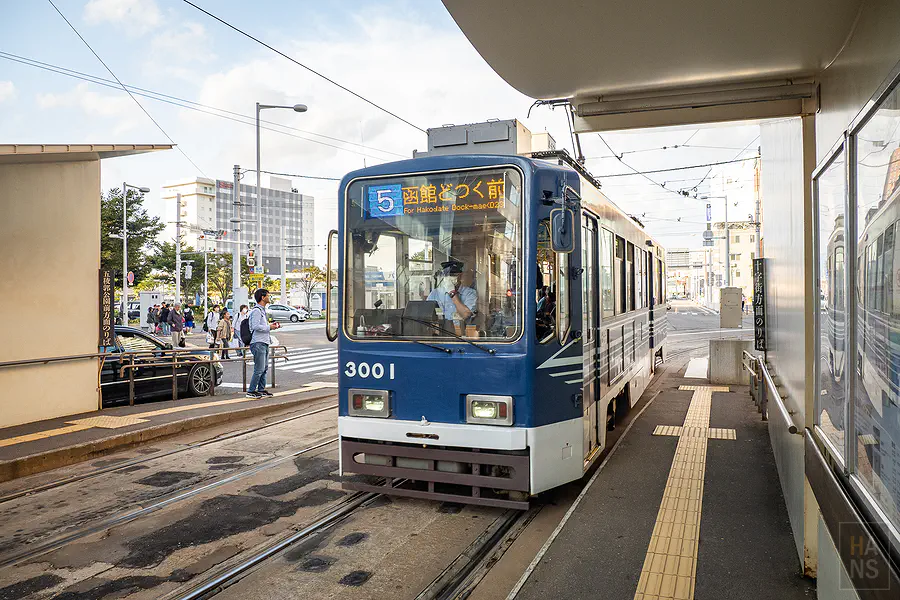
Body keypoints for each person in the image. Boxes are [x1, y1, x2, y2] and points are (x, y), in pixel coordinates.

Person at [247, 289, 280, 399]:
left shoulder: (262, 310)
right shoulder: (256, 311)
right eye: (268, 295)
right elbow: (255, 326)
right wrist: (269, 327)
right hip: (258, 342)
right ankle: (251, 391)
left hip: (264, 342)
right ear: (262, 297)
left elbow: (262, 326)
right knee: (259, 369)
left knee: (264, 368)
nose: (269, 297)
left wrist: (271, 326)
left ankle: (261, 389)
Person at [426, 260, 476, 328]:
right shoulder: (435, 293)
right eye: (446, 275)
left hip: (461, 332)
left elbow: (466, 315)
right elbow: (427, 315)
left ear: (460, 275)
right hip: (441, 331)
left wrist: (452, 293)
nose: (449, 278)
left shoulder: (470, 293)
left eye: (453, 275)